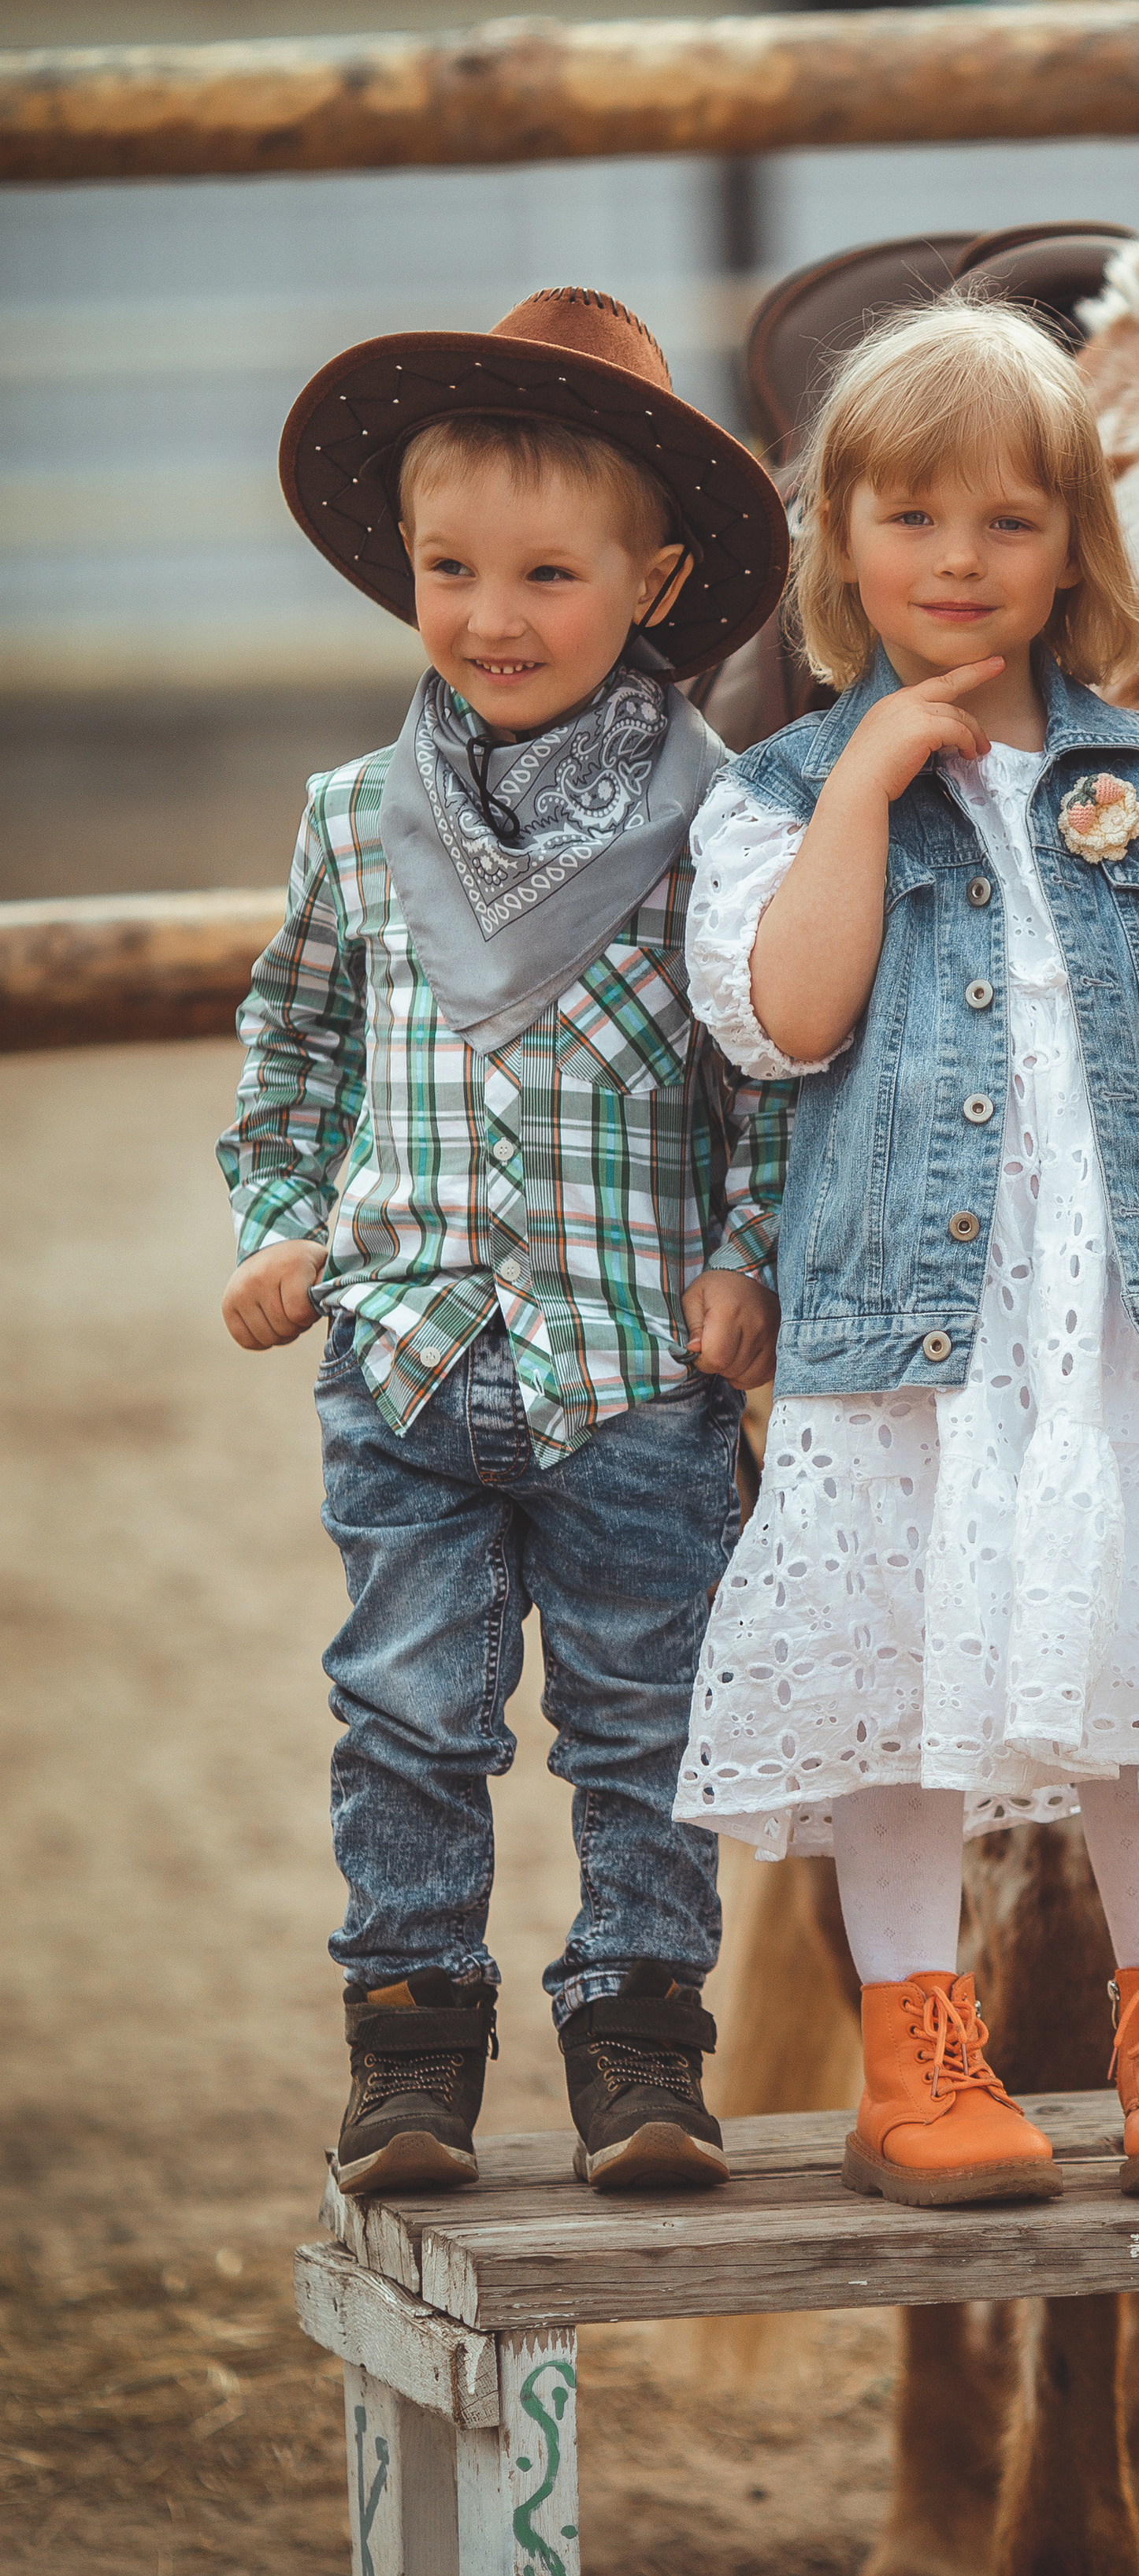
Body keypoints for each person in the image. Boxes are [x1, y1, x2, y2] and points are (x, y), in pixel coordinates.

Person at [677, 296, 1139, 2209]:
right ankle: (917, 2056)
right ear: (840, 539)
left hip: (1120, 1327)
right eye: (910, 517)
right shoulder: (776, 799)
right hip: (906, 1343)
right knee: (897, 1695)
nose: (957, 559)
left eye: (1007, 520)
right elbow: (791, 1016)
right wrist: (863, 782)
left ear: (1075, 544)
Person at [217, 288, 793, 2198]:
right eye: (449, 568)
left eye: (548, 573)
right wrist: (283, 1222)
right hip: (404, 1360)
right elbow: (295, 1044)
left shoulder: (718, 832)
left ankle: (640, 2047)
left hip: (635, 1374)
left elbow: (768, 1070)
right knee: (403, 1712)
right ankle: (410, 2052)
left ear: (655, 583)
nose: (491, 615)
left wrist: (744, 1256)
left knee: (644, 1720)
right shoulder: (350, 822)